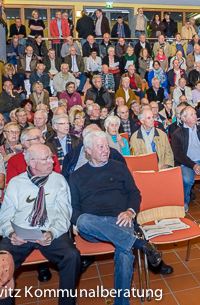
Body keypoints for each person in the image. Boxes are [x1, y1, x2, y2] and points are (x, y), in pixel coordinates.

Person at [70, 130, 164, 305]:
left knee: (124, 253)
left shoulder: (120, 167)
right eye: (100, 147)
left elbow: (134, 193)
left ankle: (121, 302)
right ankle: (140, 244)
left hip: (121, 220)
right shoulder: (76, 176)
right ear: (88, 150)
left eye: (107, 146)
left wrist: (130, 211)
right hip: (93, 225)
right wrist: (82, 220)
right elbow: (74, 210)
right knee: (83, 220)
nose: (106, 150)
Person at [0, 144, 80, 305]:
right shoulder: (16, 183)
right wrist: (11, 233)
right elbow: (4, 217)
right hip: (20, 231)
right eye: (46, 159)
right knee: (0, 263)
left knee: (72, 255)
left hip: (49, 229)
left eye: (51, 157)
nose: (52, 162)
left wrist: (52, 233)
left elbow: (64, 214)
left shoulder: (58, 181)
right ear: (32, 163)